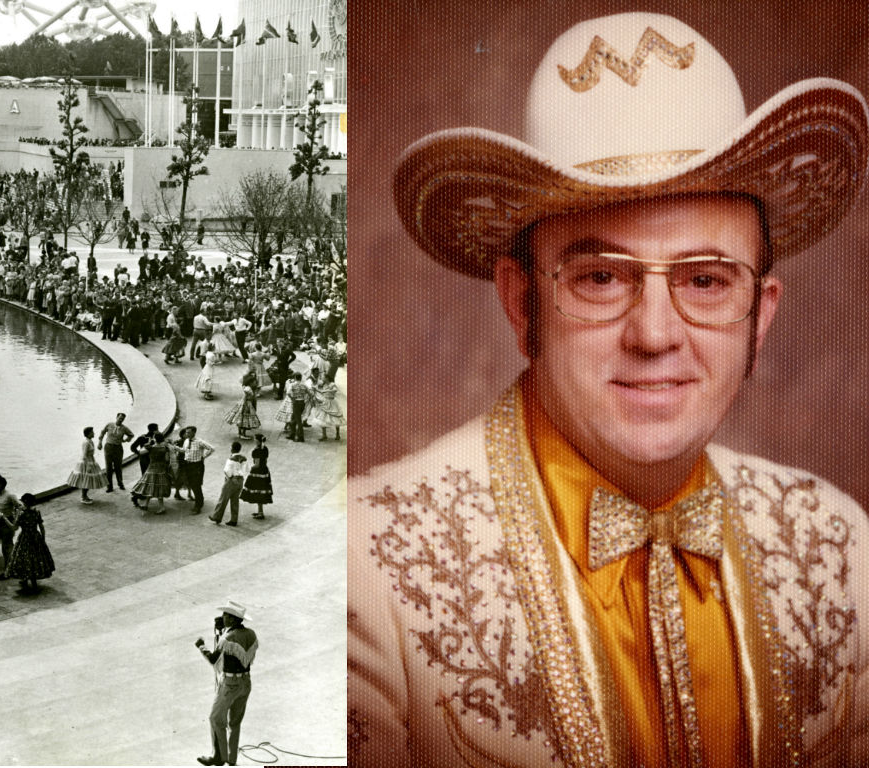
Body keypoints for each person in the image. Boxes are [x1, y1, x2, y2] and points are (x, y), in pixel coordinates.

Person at [348, 11, 869, 768]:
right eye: (600, 278)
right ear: (522, 302)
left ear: (761, 315)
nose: (655, 334)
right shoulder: (364, 570)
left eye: (704, 279)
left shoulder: (842, 545)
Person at [195, 598, 259, 767]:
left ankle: (218, 757)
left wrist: (201, 646)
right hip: (245, 683)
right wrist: (222, 631)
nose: (222, 617)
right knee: (235, 722)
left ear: (232, 619)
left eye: (225, 615)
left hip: (230, 684)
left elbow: (214, 659)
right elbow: (239, 654)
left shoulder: (228, 637)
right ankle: (231, 759)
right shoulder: (251, 634)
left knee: (216, 719)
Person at [5, 493, 55, 593]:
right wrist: (43, 538)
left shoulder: (21, 514)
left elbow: (14, 527)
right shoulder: (36, 512)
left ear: (23, 502)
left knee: (24, 558)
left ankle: (26, 579)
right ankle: (33, 582)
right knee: (35, 558)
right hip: (36, 537)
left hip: (24, 537)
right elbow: (41, 526)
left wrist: (4, 519)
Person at [130, 431, 173, 514]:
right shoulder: (165, 448)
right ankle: (147, 504)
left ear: (154, 439)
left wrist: (149, 443)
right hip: (161, 469)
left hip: (151, 468)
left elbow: (140, 452)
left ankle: (162, 508)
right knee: (158, 487)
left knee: (150, 485)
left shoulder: (151, 447)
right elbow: (167, 460)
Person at [208, 442, 247, 527]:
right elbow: (245, 470)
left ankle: (217, 516)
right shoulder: (244, 458)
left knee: (223, 498)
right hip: (240, 480)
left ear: (232, 448)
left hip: (231, 480)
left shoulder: (231, 458)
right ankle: (234, 519)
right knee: (235, 500)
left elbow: (227, 470)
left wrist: (231, 477)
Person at [180, 425, 215, 514]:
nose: (186, 434)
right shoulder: (186, 441)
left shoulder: (199, 442)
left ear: (193, 432)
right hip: (188, 465)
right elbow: (184, 450)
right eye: (186, 432)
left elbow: (211, 448)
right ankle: (199, 502)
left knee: (196, 485)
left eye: (188, 432)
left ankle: (198, 506)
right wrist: (175, 448)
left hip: (197, 466)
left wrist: (203, 456)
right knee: (192, 484)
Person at [67, 426, 107, 504]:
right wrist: (88, 465)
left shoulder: (90, 441)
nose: (94, 433)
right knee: (86, 480)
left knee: (88, 480)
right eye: (92, 432)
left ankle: (85, 496)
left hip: (91, 461)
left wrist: (93, 463)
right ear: (88, 434)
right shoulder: (86, 442)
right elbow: (84, 455)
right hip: (86, 462)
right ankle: (83, 497)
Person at [97, 412, 134, 493]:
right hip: (108, 447)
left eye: (122, 419)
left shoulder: (124, 428)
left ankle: (120, 484)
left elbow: (131, 435)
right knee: (108, 467)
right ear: (116, 417)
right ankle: (109, 486)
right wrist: (100, 442)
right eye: (120, 418)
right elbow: (102, 432)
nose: (121, 420)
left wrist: (126, 440)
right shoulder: (109, 424)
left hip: (118, 448)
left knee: (118, 467)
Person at [240, 434, 272, 520]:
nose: (254, 441)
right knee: (261, 492)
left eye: (255, 439)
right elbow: (264, 461)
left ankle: (260, 513)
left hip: (258, 473)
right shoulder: (265, 449)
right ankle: (260, 511)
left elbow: (257, 465)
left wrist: (249, 467)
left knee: (257, 492)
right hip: (264, 471)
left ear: (258, 441)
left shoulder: (257, 451)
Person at [222, 373, 261, 440]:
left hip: (245, 404)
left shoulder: (247, 388)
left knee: (242, 419)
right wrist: (246, 406)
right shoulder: (248, 389)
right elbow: (246, 398)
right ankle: (242, 434)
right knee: (245, 419)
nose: (255, 383)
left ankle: (240, 433)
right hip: (246, 404)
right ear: (250, 382)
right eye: (254, 382)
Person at [285, 372, 309, 442]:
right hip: (302, 402)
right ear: (301, 378)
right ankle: (292, 434)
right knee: (293, 418)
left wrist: (293, 399)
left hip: (296, 403)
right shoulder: (304, 385)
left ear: (295, 378)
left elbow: (288, 393)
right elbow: (310, 393)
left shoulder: (292, 385)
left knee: (298, 420)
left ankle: (301, 437)